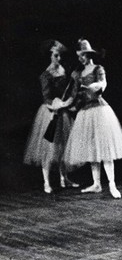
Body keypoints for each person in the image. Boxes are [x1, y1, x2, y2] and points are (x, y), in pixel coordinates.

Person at [63, 39, 122, 199]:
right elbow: (73, 96)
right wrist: (62, 105)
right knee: (93, 150)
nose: (81, 58)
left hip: (99, 110)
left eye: (83, 55)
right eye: (79, 56)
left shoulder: (98, 69)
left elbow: (103, 84)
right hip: (85, 112)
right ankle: (97, 183)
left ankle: (112, 185)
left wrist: (94, 86)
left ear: (88, 55)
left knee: (105, 150)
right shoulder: (78, 74)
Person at [24, 40, 79, 193]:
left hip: (63, 112)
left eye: (60, 56)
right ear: (50, 56)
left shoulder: (63, 70)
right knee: (47, 148)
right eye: (56, 56)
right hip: (49, 113)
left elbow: (70, 91)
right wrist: (55, 105)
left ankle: (64, 179)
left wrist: (67, 101)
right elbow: (46, 97)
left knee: (63, 147)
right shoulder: (46, 75)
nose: (59, 59)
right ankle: (46, 182)